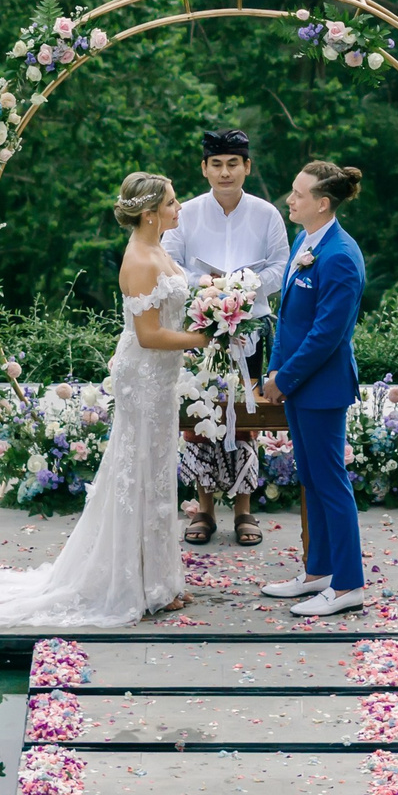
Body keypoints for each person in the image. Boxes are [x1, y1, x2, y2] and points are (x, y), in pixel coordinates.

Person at [0, 172, 211, 627]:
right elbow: (148, 335)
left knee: (156, 472)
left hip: (160, 378)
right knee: (138, 473)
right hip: (144, 376)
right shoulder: (140, 259)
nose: (179, 207)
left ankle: (158, 579)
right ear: (149, 215)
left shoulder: (159, 246)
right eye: (172, 202)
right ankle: (137, 583)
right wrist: (199, 340)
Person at [166, 127, 290, 547]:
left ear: (247, 167)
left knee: (245, 416)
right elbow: (170, 262)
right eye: (216, 165)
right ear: (204, 169)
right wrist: (209, 286)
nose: (225, 173)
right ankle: (203, 508)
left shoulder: (267, 214)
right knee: (202, 415)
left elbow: (282, 265)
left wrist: (244, 287)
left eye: (233, 164)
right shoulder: (186, 213)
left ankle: (244, 509)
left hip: (249, 328)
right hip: (200, 327)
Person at [258, 160, 369, 618]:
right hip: (297, 385)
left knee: (331, 484)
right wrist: (275, 371)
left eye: (299, 194)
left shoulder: (341, 255)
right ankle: (318, 571)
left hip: (322, 389)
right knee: (312, 480)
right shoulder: (306, 241)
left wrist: (285, 378)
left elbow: (328, 333)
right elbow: (289, 319)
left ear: (322, 203)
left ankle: (348, 586)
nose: (290, 199)